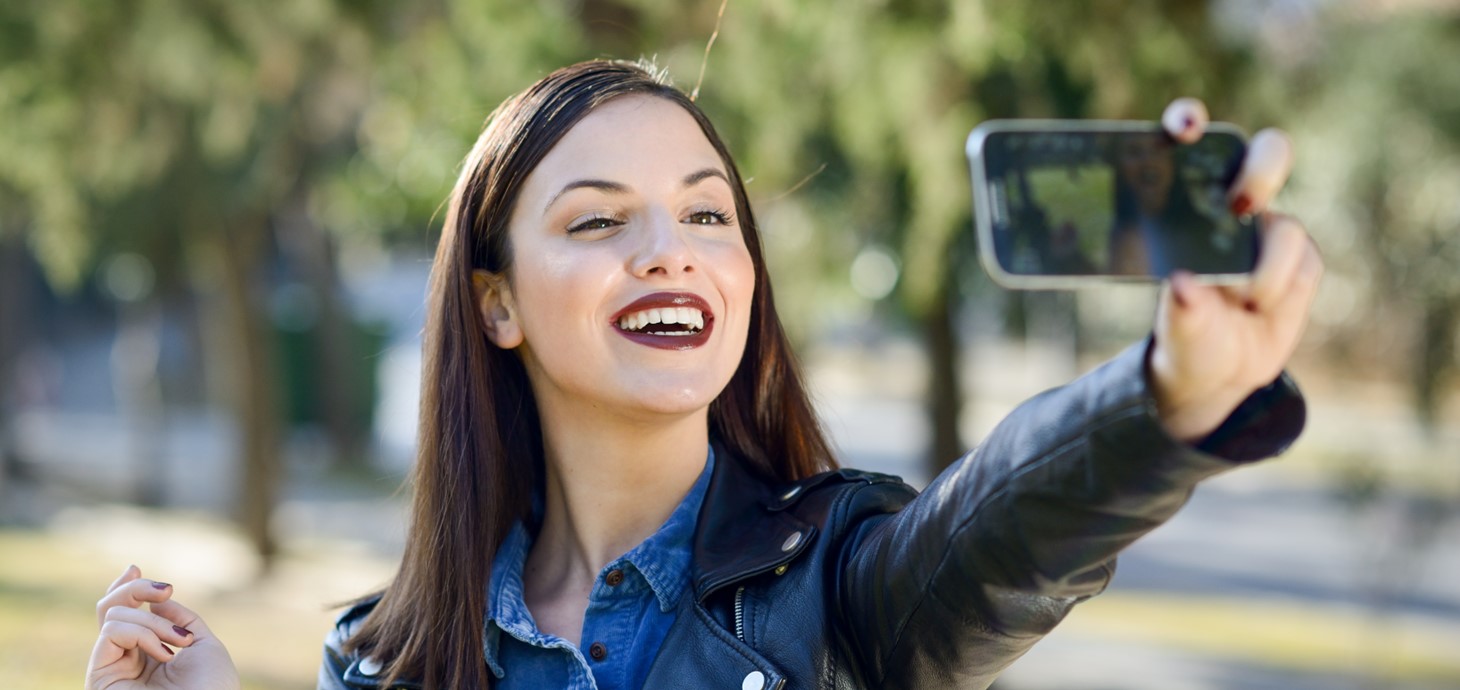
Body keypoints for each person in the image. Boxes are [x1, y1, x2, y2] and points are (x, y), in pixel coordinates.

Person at [85, 61, 1319, 690]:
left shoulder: (846, 583)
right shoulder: (387, 658)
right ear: (495, 302)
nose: (668, 249)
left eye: (706, 215)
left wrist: (1168, 394)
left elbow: (1001, 530)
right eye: (597, 221)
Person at [1106, 130, 1253, 277]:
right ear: (1118, 167)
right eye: (1134, 152)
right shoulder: (1106, 231)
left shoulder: (1202, 233)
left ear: (1172, 163)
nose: (1147, 161)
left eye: (1158, 149)